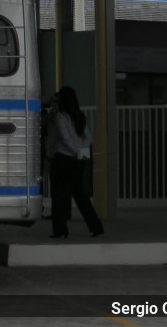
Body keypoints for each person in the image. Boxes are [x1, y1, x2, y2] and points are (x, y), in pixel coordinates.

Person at [50, 86, 104, 239]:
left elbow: (65, 139)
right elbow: (88, 137)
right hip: (80, 159)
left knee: (59, 195)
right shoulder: (80, 116)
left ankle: (60, 231)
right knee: (81, 194)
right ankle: (96, 227)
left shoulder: (60, 116)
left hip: (62, 158)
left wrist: (75, 152)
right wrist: (82, 153)